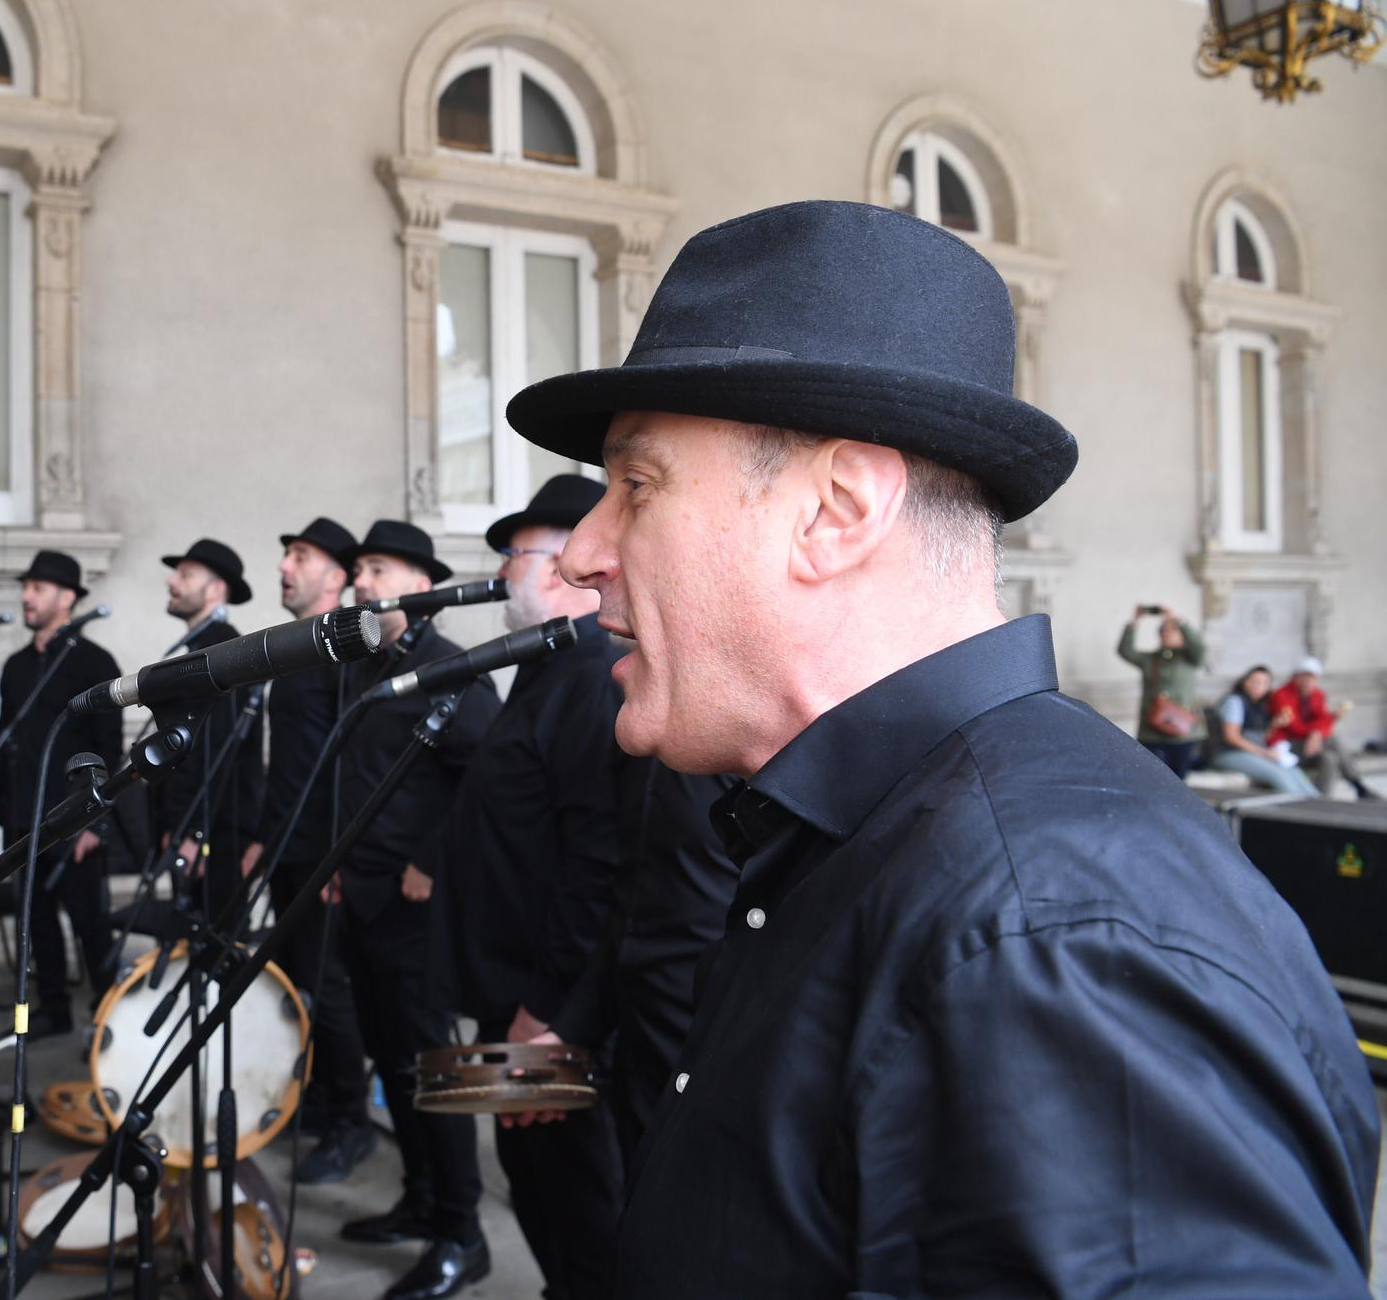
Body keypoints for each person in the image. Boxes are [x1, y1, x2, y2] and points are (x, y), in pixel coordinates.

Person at [504, 200, 1377, 1294]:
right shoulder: (861, 846)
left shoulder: (1051, 940)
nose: (583, 551)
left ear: (832, 510)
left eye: (634, 486)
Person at [432, 475, 623, 1300]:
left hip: (543, 1008)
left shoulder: (592, 677)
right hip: (509, 989)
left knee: (569, 1183)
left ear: (564, 567)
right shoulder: (543, 670)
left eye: (515, 553)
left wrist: (545, 1014)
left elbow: (598, 864)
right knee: (525, 1159)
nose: (504, 570)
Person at [333, 519, 499, 1300]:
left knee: (437, 1071)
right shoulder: (367, 666)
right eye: (358, 569)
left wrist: (430, 860)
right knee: (392, 1060)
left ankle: (462, 1235)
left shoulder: (456, 671)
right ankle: (423, 1197)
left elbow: (489, 780)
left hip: (415, 907)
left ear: (419, 585)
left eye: (376, 568)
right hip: (360, 896)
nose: (360, 582)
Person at [237, 516, 377, 1184]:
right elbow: (287, 760)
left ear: (338, 577)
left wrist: (337, 855)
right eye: (285, 553)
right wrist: (266, 836)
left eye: (300, 555)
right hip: (290, 847)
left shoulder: (346, 652)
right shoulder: (295, 651)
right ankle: (318, 1099)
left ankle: (352, 1122)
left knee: (331, 988)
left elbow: (347, 764)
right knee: (298, 985)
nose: (285, 565)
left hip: (325, 852)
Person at [549, 761, 734, 1165]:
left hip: (713, 1049)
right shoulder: (639, 747)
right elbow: (630, 907)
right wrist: (571, 1029)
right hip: (638, 1038)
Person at [0, 550, 122, 1034]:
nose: (26, 596)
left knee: (90, 924)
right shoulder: (16, 667)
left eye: (37, 588)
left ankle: (109, 1019)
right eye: (26, 587)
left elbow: (109, 749)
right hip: (25, 813)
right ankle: (53, 1011)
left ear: (67, 598)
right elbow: (1, 736)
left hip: (76, 817)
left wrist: (95, 821)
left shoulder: (95, 661)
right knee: (37, 921)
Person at [149, 538, 262, 917]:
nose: (172, 582)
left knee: (216, 937)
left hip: (218, 832)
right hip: (198, 828)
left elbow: (220, 750)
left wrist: (197, 834)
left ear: (215, 589)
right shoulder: (199, 651)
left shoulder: (225, 653)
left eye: (186, 574)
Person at [1116, 604, 1206, 778]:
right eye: (1163, 631)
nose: (1167, 634)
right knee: (1151, 777)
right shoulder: (1151, 659)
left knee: (1179, 780)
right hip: (1152, 730)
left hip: (1183, 730)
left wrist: (1177, 620)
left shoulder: (1188, 658)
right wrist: (1135, 622)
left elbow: (1199, 648)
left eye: (1172, 631)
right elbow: (1125, 651)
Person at [1269, 656, 1376, 799]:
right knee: (1332, 740)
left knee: (1329, 758)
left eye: (1312, 677)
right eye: (1304, 676)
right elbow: (1293, 726)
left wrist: (1318, 732)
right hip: (1287, 745)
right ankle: (1358, 785)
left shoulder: (1317, 694)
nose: (1308, 681)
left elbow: (1323, 720)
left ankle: (1321, 799)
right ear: (1295, 677)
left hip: (1308, 743)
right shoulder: (1282, 695)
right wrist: (1317, 732)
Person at [1208, 665, 1320, 796]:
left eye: (1264, 683)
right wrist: (1264, 753)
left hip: (1253, 753)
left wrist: (1274, 725)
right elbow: (1231, 737)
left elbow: (1258, 736)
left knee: (1292, 771)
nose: (1258, 686)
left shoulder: (1260, 705)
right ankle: (1301, 809)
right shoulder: (1235, 701)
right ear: (1245, 681)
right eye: (1255, 681)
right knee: (1278, 774)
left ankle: (1318, 804)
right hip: (1228, 753)